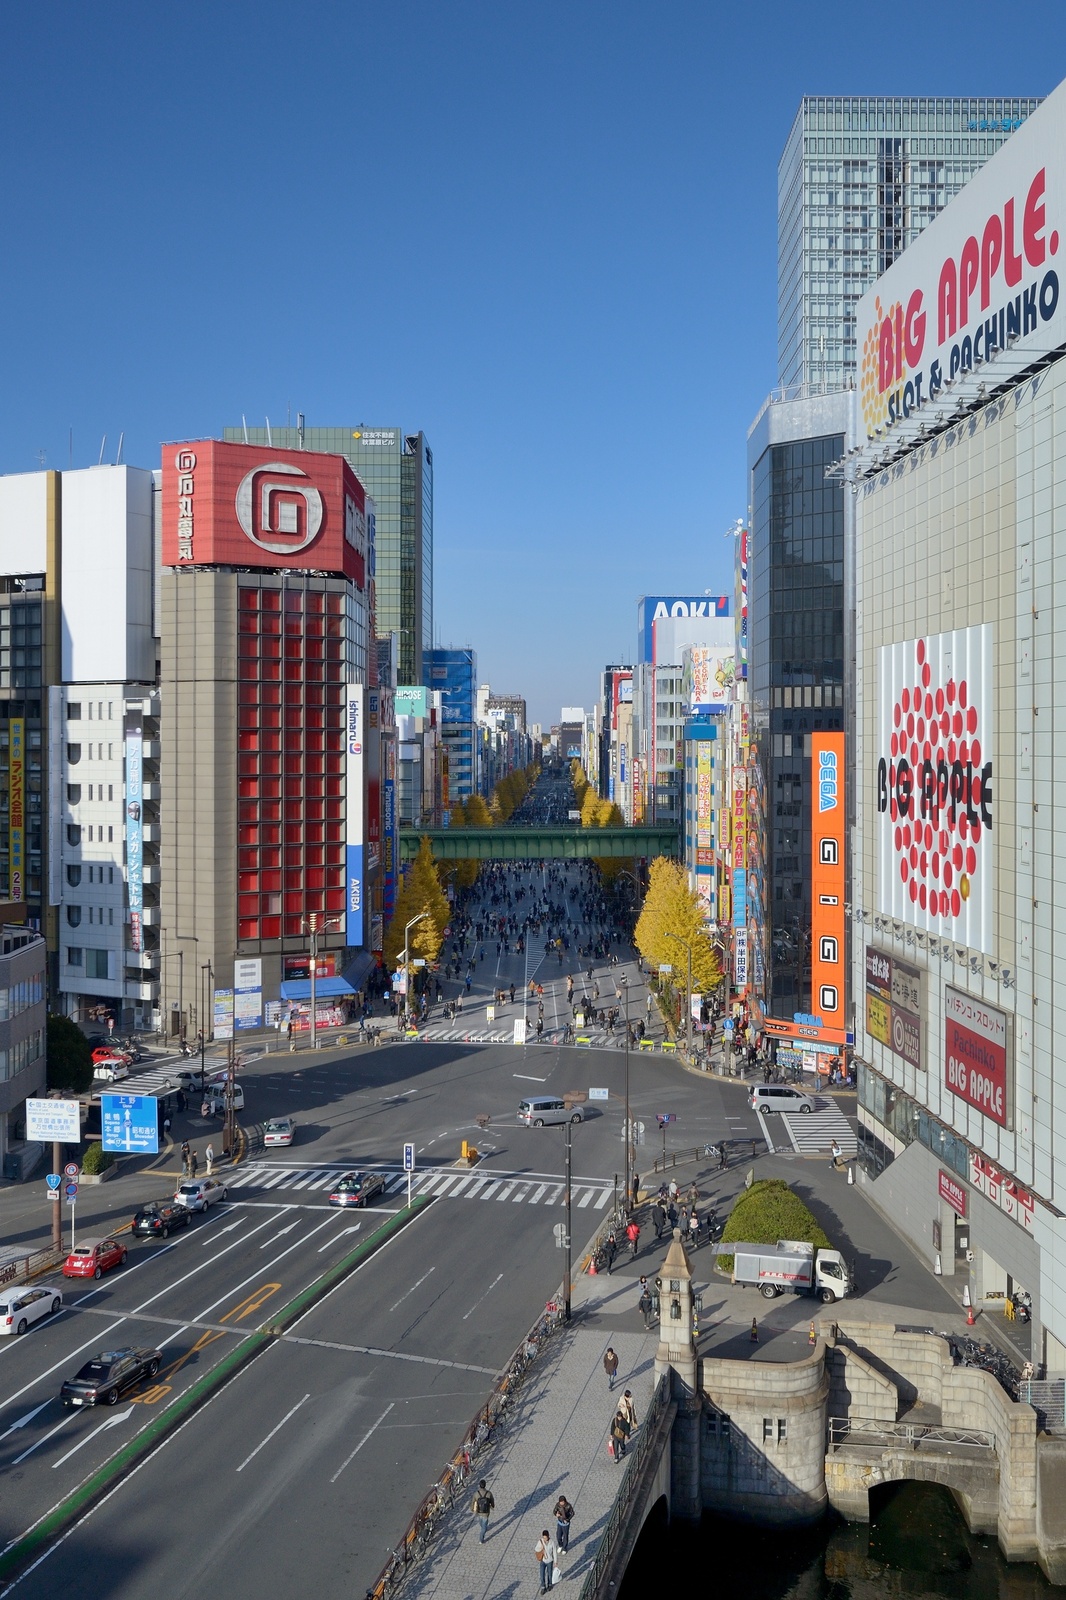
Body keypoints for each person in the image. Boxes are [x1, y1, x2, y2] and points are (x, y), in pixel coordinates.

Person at [471, 1478, 494, 1543]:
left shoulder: (476, 1494)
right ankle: (482, 1537)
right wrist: (492, 1506)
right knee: (484, 1526)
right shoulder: (489, 1493)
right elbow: (492, 1501)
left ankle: (481, 1535)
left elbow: (473, 1501)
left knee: (481, 1522)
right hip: (486, 1512)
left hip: (479, 1511)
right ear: (485, 1485)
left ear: (479, 1485)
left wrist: (472, 1508)